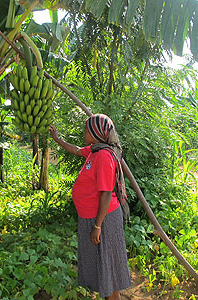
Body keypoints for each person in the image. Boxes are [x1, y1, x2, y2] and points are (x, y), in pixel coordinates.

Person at [49, 114, 132, 300]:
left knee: (107, 266)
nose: (84, 132)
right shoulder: (95, 150)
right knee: (102, 266)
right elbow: (77, 150)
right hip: (94, 217)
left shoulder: (103, 156)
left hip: (104, 219)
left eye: (87, 129)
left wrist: (97, 226)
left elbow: (105, 193)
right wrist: (57, 139)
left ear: (96, 132)